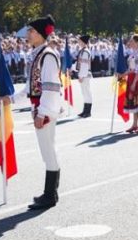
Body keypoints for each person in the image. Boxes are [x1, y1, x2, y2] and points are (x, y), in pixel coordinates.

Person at [8, 15, 63, 210]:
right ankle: (50, 193)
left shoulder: (47, 55)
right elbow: (31, 86)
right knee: (48, 150)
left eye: (31, 31)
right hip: (40, 107)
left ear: (40, 34)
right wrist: (12, 99)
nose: (28, 35)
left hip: (44, 108)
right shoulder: (39, 54)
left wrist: (43, 113)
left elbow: (51, 86)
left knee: (48, 150)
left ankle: (50, 194)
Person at [74, 35, 93, 118]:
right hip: (83, 74)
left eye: (79, 41)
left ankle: (88, 111)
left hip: (85, 75)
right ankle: (85, 110)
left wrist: (81, 76)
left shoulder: (85, 52)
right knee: (84, 93)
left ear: (83, 42)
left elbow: (85, 65)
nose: (78, 42)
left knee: (87, 92)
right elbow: (80, 63)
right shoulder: (82, 51)